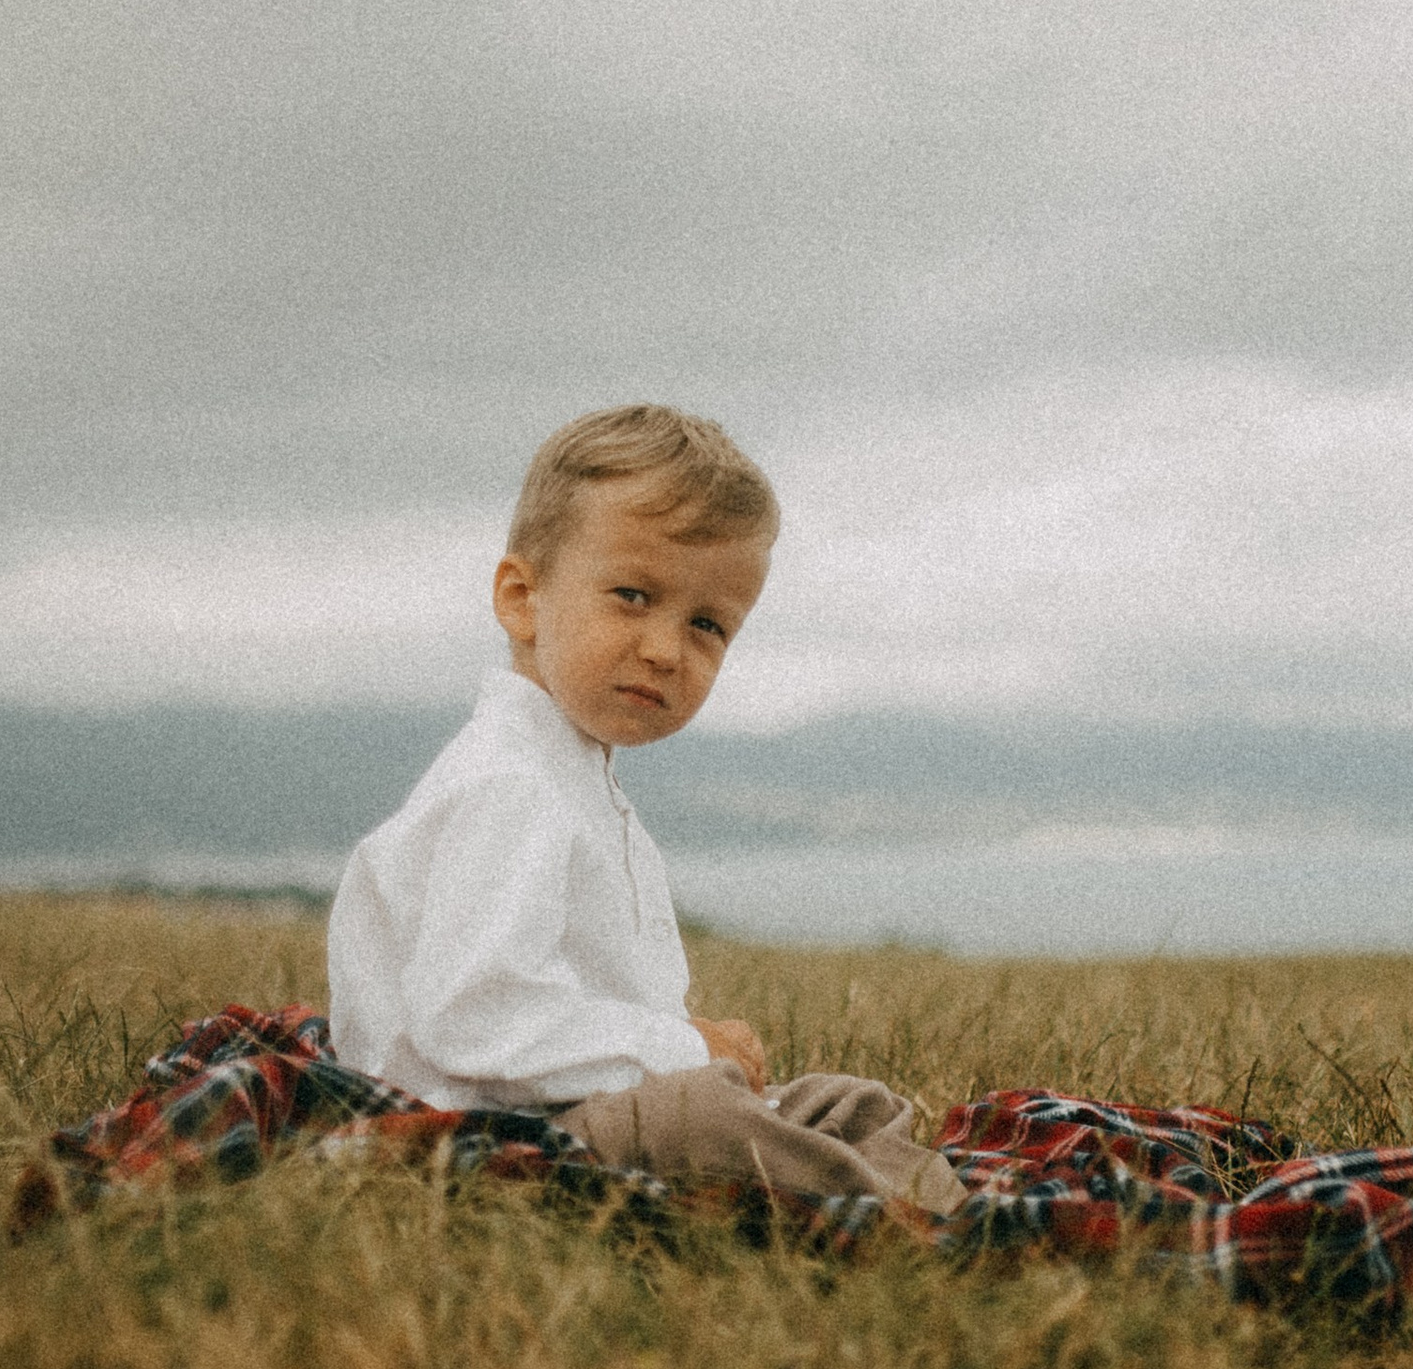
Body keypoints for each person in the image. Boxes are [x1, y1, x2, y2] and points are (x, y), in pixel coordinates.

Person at [325, 405, 967, 1216]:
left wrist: (679, 1043)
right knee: (703, 1118)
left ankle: (924, 1197)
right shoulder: (509, 787)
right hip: (490, 1133)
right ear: (523, 599)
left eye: (707, 624)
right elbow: (476, 1019)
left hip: (569, 1105)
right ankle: (911, 1221)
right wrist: (681, 1047)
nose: (667, 648)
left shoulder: (571, 779)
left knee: (841, 1101)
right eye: (632, 595)